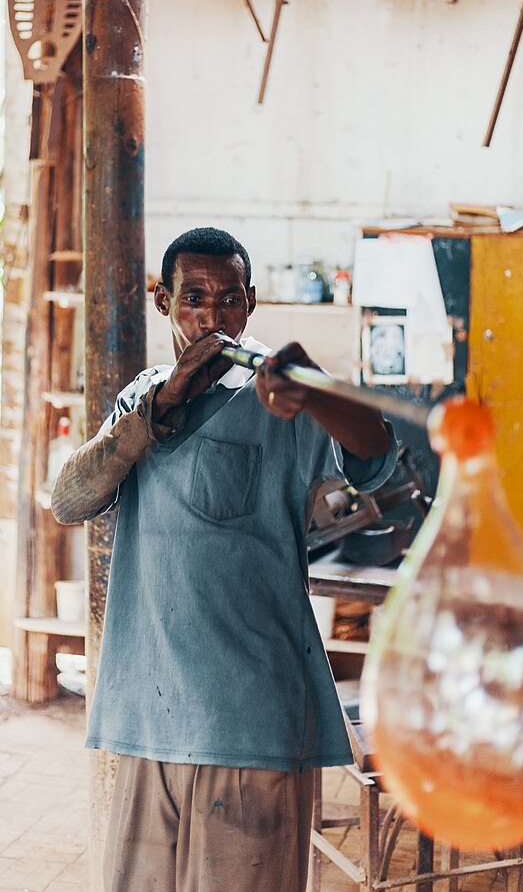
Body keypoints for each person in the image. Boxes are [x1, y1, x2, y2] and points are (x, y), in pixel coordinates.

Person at [52, 227, 398, 892]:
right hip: (147, 720)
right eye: (194, 298)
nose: (212, 316)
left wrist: (316, 387)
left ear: (251, 304)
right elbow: (69, 501)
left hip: (252, 725)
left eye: (230, 298)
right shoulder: (143, 398)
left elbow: (375, 456)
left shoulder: (284, 397)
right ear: (163, 303)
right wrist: (155, 411)